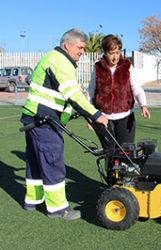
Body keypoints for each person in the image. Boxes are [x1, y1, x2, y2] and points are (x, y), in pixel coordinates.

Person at [20, 28, 108, 220]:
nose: (83, 52)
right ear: (67, 45)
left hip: (33, 117)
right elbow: (72, 94)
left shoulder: (53, 58)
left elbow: (62, 94)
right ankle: (58, 209)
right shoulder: (60, 61)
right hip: (43, 120)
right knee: (53, 161)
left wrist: (79, 111)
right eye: (80, 48)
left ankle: (32, 201)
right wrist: (95, 114)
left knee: (35, 161)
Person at [87, 34, 150, 145]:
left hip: (125, 117)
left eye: (117, 52)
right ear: (105, 52)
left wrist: (143, 105)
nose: (115, 57)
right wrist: (90, 115)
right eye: (111, 53)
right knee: (109, 154)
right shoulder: (97, 68)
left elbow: (137, 88)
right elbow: (90, 91)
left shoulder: (127, 66)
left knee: (125, 153)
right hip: (104, 118)